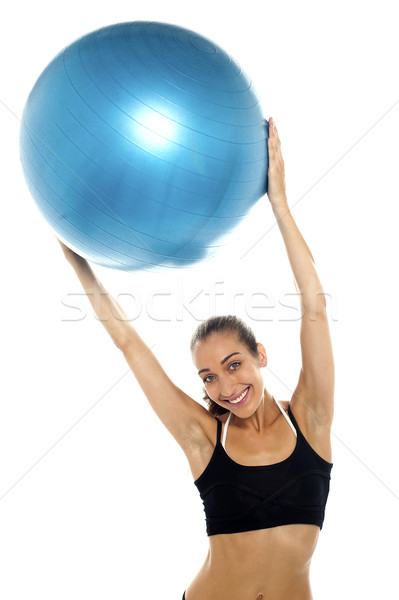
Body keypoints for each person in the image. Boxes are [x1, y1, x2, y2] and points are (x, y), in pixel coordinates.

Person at [57, 117, 334, 600]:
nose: (225, 388)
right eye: (207, 377)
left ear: (260, 356)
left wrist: (280, 204)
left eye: (233, 365)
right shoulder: (204, 438)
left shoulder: (312, 419)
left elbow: (314, 303)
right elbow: (129, 344)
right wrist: (76, 259)